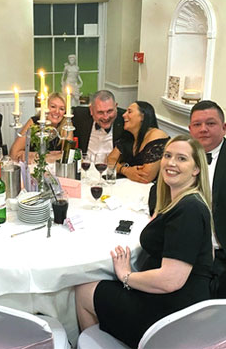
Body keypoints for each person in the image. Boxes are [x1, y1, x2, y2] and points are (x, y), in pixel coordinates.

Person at [75, 135, 213, 347]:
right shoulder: (184, 202)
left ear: (196, 169)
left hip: (171, 318)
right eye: (167, 155)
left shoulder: (189, 210)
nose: (171, 163)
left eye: (182, 158)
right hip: (180, 306)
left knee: (84, 290)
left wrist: (127, 276)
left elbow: (170, 280)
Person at [143, 101, 226, 299]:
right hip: (192, 255)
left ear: (224, 128)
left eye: (211, 123)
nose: (203, 129)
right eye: (197, 125)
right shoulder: (183, 156)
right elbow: (158, 192)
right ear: (190, 129)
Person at [107, 101, 168, 183]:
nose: (123, 115)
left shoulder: (156, 135)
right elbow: (110, 160)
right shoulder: (128, 136)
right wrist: (125, 170)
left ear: (142, 116)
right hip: (131, 185)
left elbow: (145, 176)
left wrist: (120, 166)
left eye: (129, 111)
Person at [10, 93, 69, 162]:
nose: (57, 111)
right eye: (53, 107)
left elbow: (67, 156)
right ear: (45, 108)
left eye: (61, 109)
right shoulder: (34, 122)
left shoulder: (66, 125)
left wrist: (32, 156)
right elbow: (13, 154)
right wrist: (54, 155)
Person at [73, 90, 129, 161]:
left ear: (116, 107)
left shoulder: (125, 120)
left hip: (112, 170)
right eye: (100, 112)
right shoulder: (80, 116)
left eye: (109, 111)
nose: (106, 117)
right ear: (91, 110)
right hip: (85, 169)